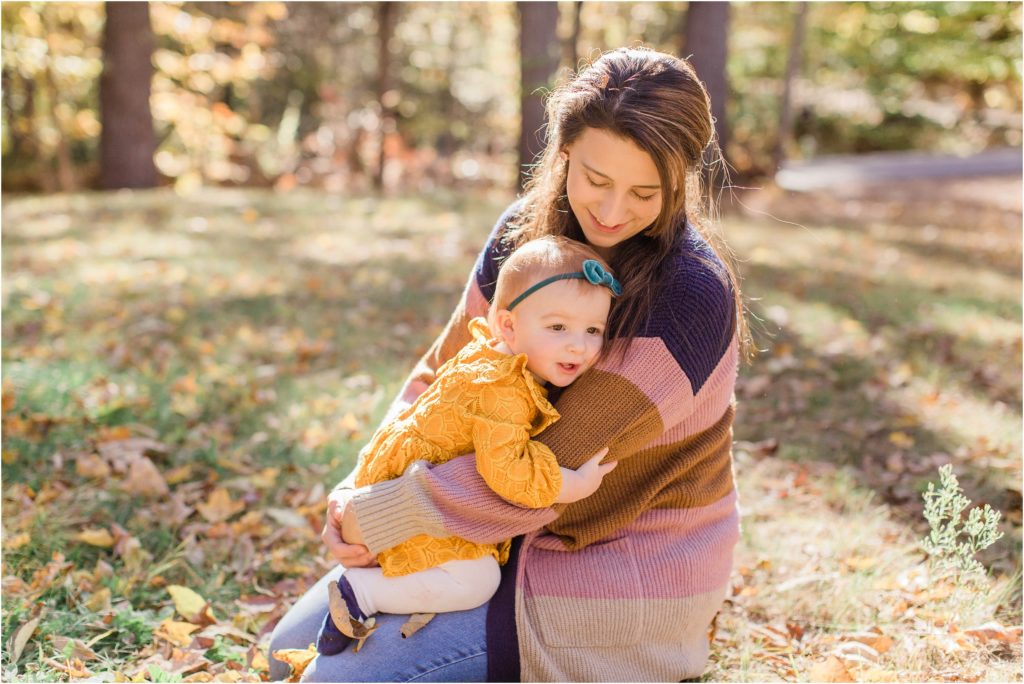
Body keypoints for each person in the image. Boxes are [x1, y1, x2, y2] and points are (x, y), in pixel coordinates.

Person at [269, 46, 749, 682]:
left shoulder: (688, 296)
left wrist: (379, 515)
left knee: (332, 680)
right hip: (475, 543)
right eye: (596, 180)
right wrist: (355, 492)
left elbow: (540, 473)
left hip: (609, 575)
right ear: (564, 153)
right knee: (283, 657)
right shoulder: (523, 239)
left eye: (643, 192)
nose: (609, 212)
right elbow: (440, 375)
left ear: (680, 180)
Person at [316, 236, 621, 656]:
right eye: (557, 327)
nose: (579, 345)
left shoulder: (487, 357)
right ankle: (363, 593)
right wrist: (572, 484)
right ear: (508, 325)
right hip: (401, 504)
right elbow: (506, 471)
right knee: (477, 580)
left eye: (593, 330)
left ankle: (384, 595)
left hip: (392, 481)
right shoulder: (504, 391)